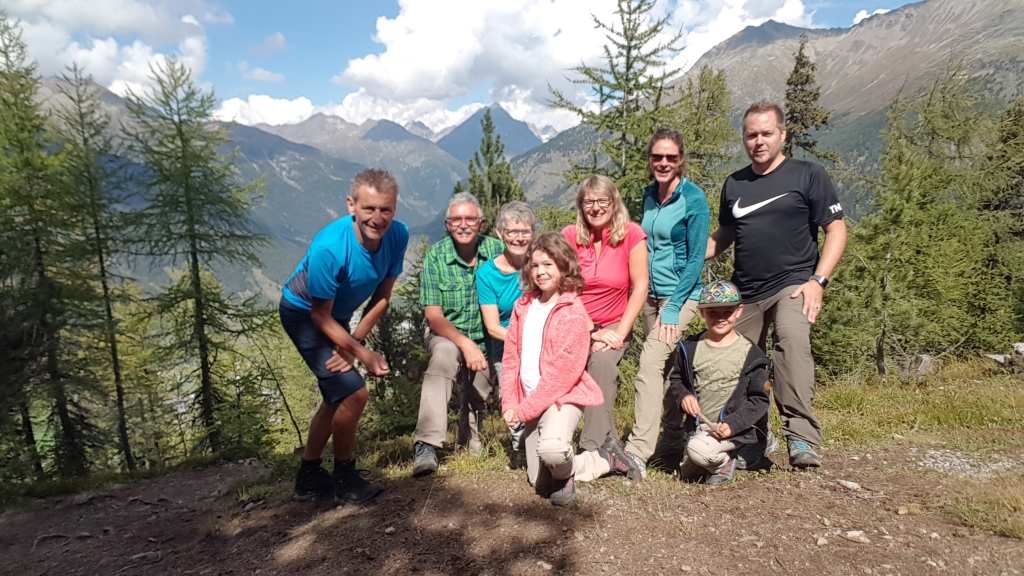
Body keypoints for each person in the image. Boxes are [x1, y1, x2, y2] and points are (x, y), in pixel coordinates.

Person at [706, 102, 848, 469]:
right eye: (751, 134)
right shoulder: (735, 183)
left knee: (790, 340)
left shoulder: (808, 175)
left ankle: (800, 437)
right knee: (736, 361)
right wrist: (687, 256)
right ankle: (751, 439)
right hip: (745, 290)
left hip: (794, 283)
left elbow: (836, 230)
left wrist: (818, 280)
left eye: (766, 133)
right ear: (744, 138)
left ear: (782, 134)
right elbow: (726, 234)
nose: (759, 141)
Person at [279, 168, 409, 504]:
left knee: (337, 394)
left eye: (386, 210)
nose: (377, 218)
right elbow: (319, 315)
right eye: (369, 209)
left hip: (334, 315)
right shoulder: (330, 247)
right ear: (351, 205)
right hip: (303, 313)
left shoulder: (399, 235)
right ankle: (344, 477)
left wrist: (355, 344)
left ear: (395, 209)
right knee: (354, 392)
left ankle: (308, 477)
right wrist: (362, 354)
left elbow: (383, 295)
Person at [501, 233, 629, 506]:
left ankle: (597, 462)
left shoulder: (572, 311)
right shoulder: (523, 306)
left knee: (553, 452)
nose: (541, 272)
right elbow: (511, 358)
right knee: (538, 480)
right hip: (533, 401)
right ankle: (594, 461)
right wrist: (510, 402)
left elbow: (562, 375)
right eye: (535, 265)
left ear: (563, 266)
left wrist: (523, 411)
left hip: (562, 398)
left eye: (548, 264)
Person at [621, 129, 710, 479]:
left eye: (671, 157)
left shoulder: (694, 199)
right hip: (648, 295)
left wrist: (673, 305)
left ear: (681, 160)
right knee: (668, 367)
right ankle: (673, 437)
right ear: (649, 159)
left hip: (680, 296)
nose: (663, 163)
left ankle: (637, 451)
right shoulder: (648, 195)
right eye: (657, 156)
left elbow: (696, 257)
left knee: (649, 363)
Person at [413, 192, 504, 477]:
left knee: (477, 394)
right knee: (444, 357)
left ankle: (466, 444)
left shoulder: (498, 251)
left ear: (481, 223)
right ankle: (426, 445)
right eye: (456, 220)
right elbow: (434, 316)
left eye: (470, 219)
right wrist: (465, 345)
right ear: (447, 224)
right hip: (446, 333)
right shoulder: (436, 257)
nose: (463, 225)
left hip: (487, 337)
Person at [561, 175, 649, 456]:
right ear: (580, 205)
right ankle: (607, 442)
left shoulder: (631, 234)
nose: (596, 207)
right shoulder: (570, 236)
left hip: (615, 323)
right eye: (589, 202)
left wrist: (618, 334)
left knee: (601, 362)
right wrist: (592, 329)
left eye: (602, 200)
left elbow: (640, 287)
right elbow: (566, 287)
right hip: (576, 321)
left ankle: (592, 448)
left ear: (614, 202)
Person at [668, 280, 770, 485]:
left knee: (699, 451)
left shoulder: (752, 354)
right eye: (712, 312)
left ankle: (726, 461)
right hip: (702, 426)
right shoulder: (690, 347)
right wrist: (684, 396)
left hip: (734, 428)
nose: (720, 318)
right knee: (688, 473)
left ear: (739, 311)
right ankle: (731, 454)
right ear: (702, 312)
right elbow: (677, 379)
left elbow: (759, 400)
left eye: (728, 312)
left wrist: (733, 425)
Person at [476, 202, 535, 468]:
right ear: (500, 234)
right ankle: (521, 446)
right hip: (506, 344)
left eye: (525, 232)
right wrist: (526, 340)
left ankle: (546, 440)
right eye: (512, 232)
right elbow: (492, 327)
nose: (519, 238)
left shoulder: (540, 263)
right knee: (512, 392)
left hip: (544, 340)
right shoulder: (487, 274)